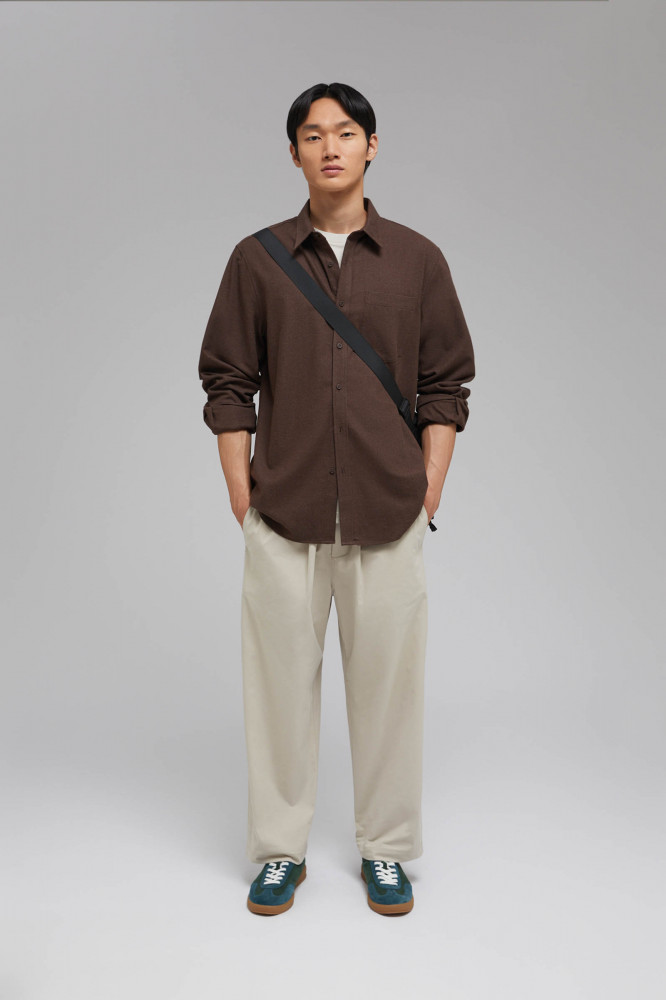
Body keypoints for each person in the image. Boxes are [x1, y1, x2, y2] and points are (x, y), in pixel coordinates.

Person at [198, 81, 475, 916]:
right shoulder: (257, 259)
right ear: (294, 154)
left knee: (390, 695)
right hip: (284, 517)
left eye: (346, 132)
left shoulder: (418, 260)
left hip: (390, 516)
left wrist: (428, 487)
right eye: (313, 135)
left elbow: (446, 383)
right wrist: (243, 496)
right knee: (277, 694)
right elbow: (227, 381)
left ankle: (385, 851)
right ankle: (280, 851)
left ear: (372, 146)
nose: (330, 146)